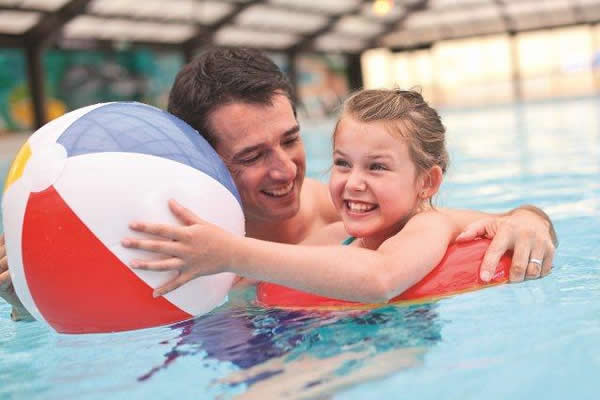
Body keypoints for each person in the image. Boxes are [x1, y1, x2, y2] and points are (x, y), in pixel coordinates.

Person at [0, 47, 557, 319]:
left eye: (290, 139)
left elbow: (476, 218)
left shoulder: (341, 216)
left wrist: (532, 218)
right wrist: (25, 295)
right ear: (205, 160)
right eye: (253, 156)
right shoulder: (176, 237)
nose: (287, 169)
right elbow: (98, 311)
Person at [121, 88, 541, 302]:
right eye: (342, 163)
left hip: (389, 350)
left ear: (427, 183)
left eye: (376, 167)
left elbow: (380, 278)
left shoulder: (427, 226)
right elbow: (263, 282)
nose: (353, 182)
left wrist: (231, 251)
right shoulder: (334, 236)